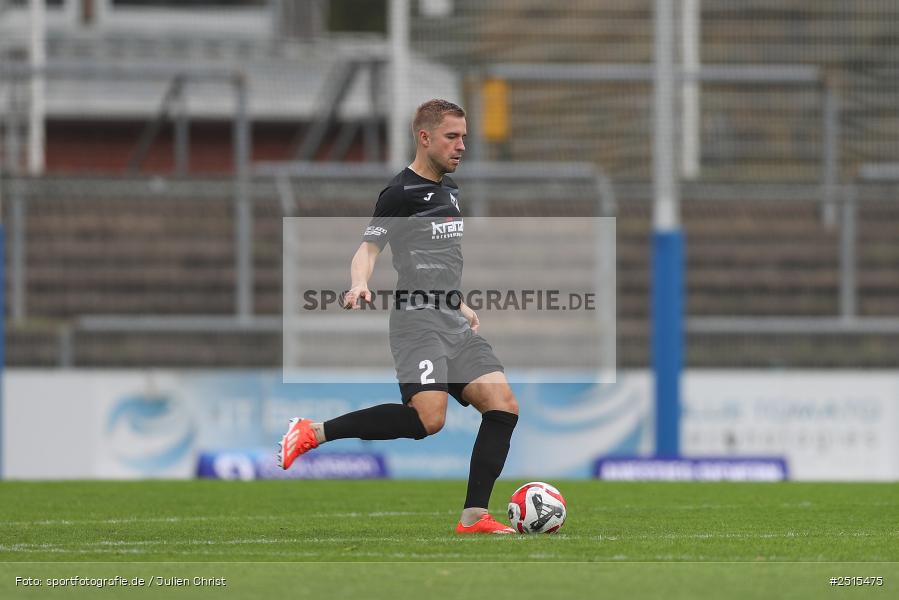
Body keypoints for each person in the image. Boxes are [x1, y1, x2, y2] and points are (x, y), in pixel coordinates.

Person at [278, 99, 519, 534]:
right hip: (418, 321)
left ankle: (474, 517)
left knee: (502, 405)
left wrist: (459, 302)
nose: (462, 145)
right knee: (429, 420)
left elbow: (437, 258)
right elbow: (368, 248)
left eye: (464, 136)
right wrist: (359, 283)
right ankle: (314, 431)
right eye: (452, 136)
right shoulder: (399, 193)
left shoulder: (450, 191)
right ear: (424, 138)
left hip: (450, 318)